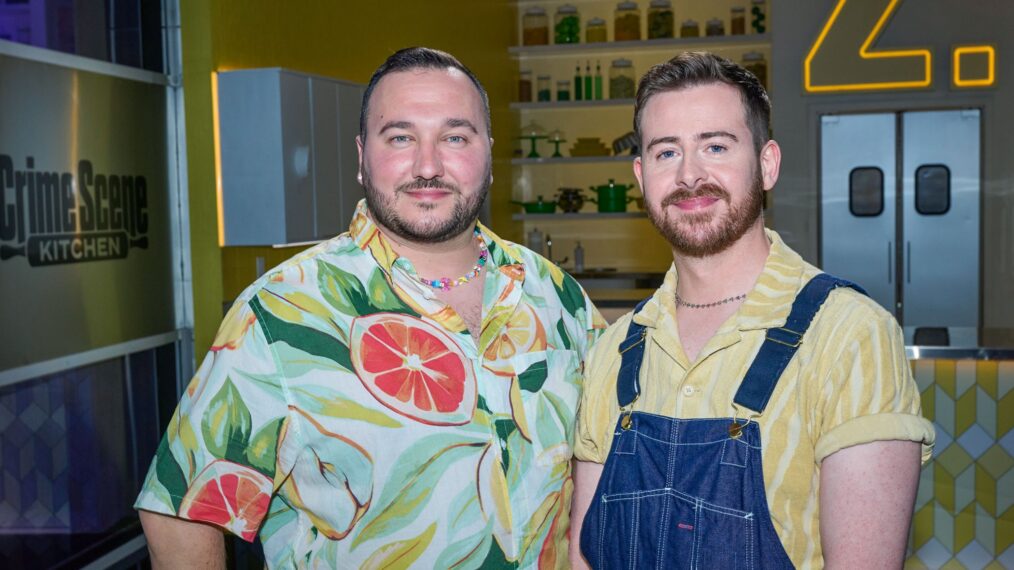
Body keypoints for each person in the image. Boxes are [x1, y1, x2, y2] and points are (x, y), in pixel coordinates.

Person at [136, 47, 604, 568]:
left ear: (488, 152)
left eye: (455, 137)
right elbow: (181, 509)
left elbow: (601, 463)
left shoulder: (558, 295)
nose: (428, 166)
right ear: (362, 156)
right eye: (400, 137)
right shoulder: (279, 313)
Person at [569, 51, 934, 569]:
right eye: (666, 152)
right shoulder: (615, 350)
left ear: (766, 165)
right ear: (640, 174)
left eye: (715, 146)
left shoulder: (850, 335)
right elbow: (587, 558)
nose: (690, 175)